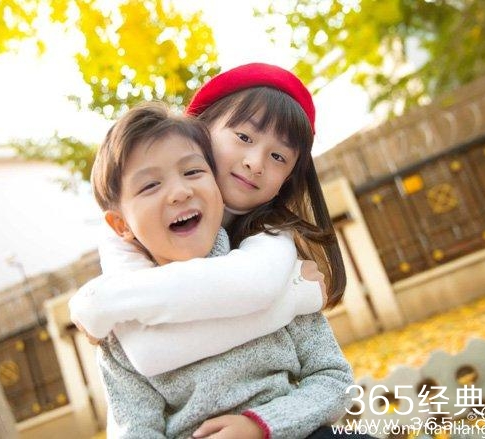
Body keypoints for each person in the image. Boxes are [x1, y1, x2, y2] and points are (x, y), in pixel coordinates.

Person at [87, 100, 355, 439]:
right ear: (120, 224)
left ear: (216, 182)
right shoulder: (122, 323)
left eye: (192, 172)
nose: (180, 192)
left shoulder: (278, 274)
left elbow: (334, 379)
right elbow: (136, 430)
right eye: (150, 185)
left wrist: (261, 425)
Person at [69, 63, 346, 378]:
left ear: (288, 180)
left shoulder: (272, 234)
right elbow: (146, 351)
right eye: (243, 136)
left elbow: (253, 286)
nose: (255, 163)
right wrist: (293, 297)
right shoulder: (127, 231)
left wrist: (107, 302)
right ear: (201, 130)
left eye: (278, 157)